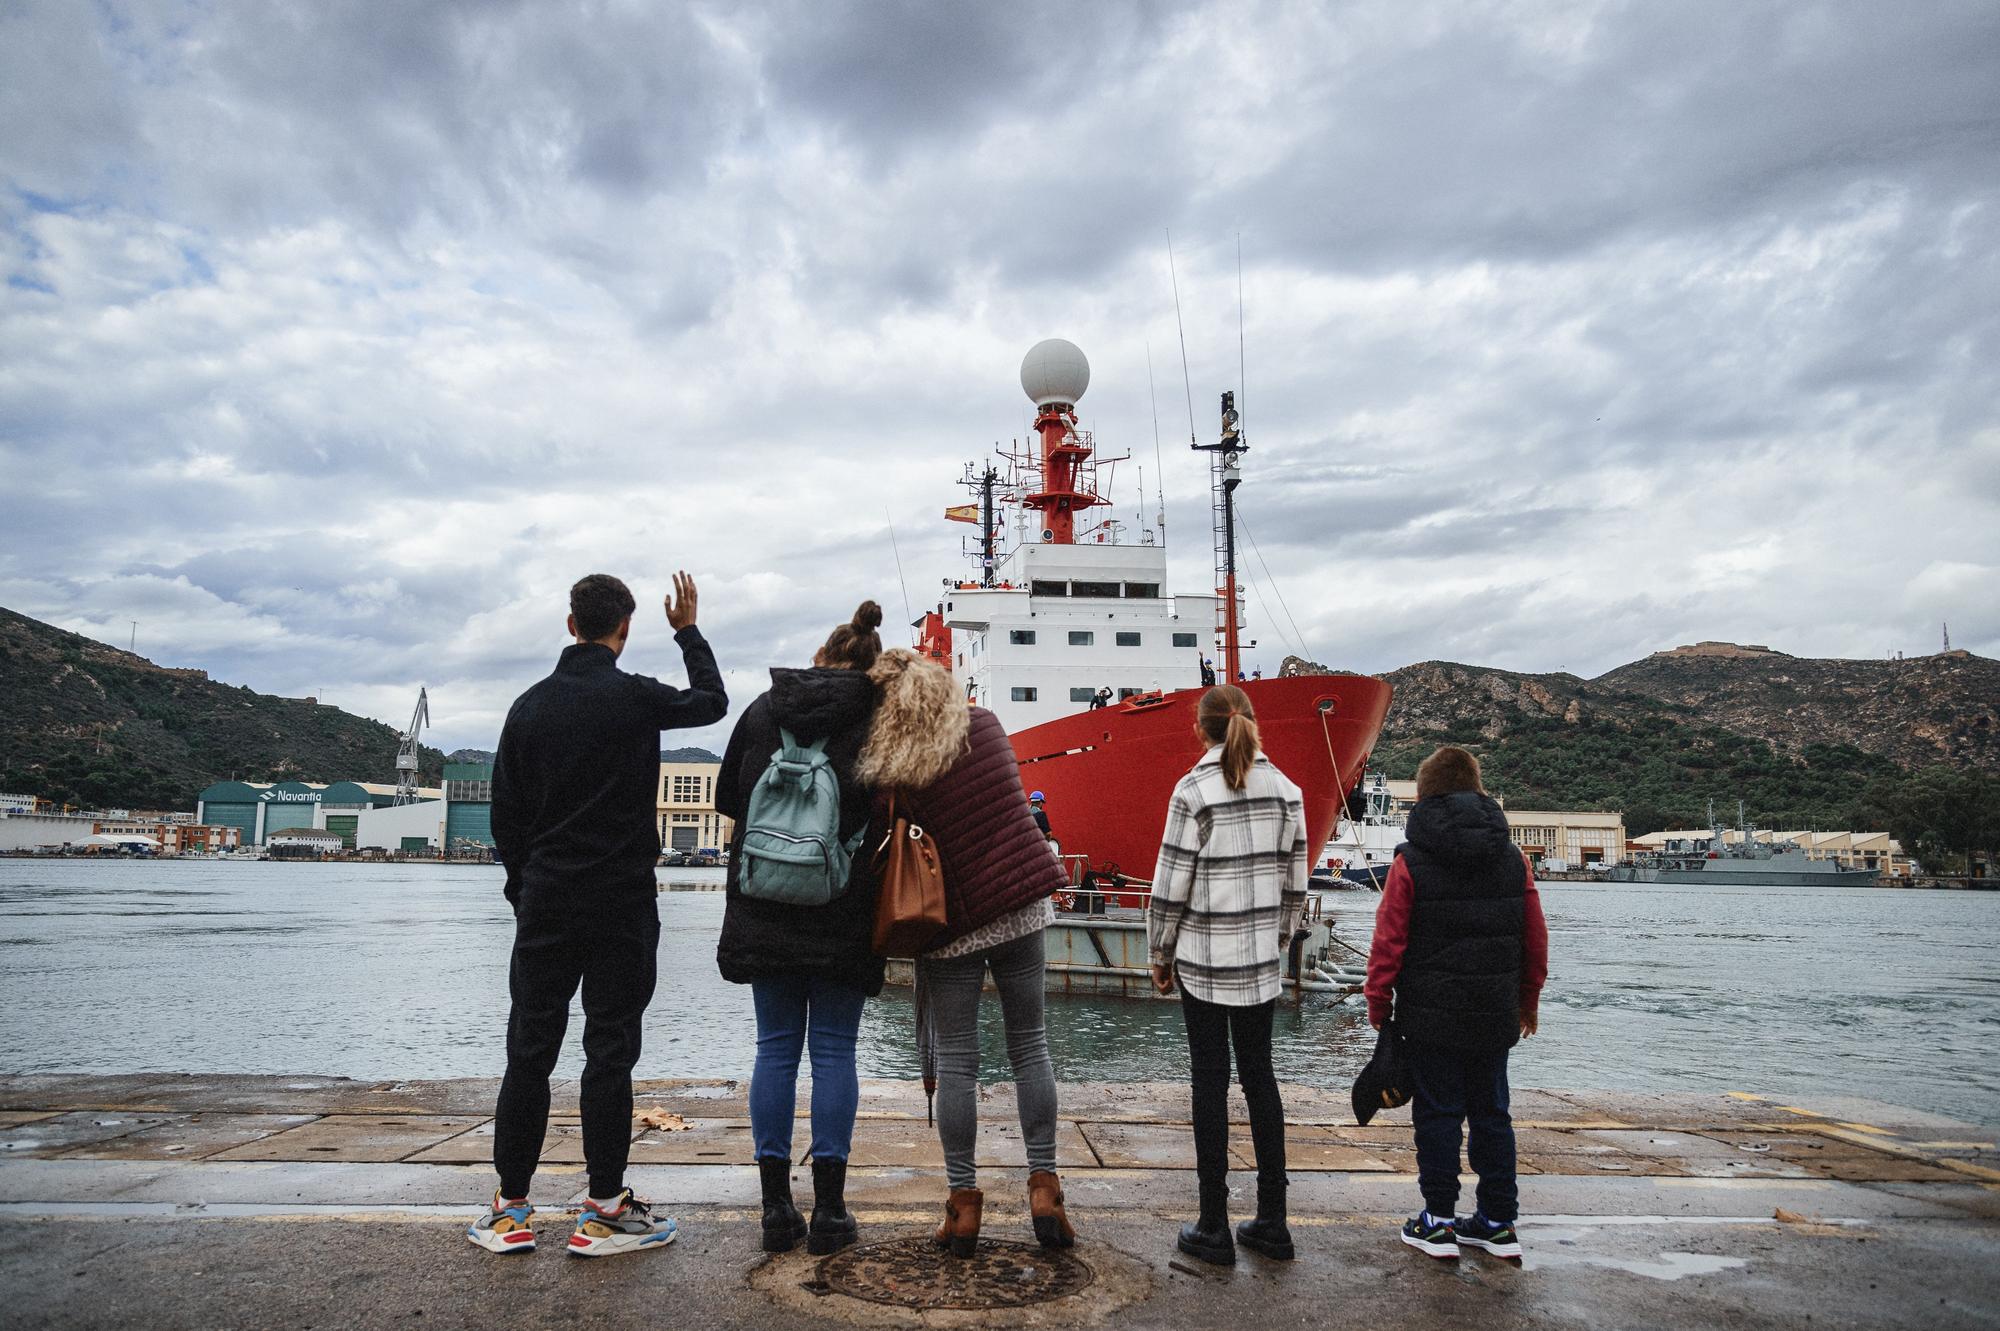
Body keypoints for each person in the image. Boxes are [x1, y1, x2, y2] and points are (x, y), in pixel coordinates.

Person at [474, 572, 726, 1258]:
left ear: (569, 623)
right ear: (624, 629)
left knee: (529, 1049)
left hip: (548, 899)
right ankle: (605, 1210)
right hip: (621, 902)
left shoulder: (528, 707)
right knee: (609, 1050)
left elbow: (505, 816)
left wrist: (525, 888)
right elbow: (711, 701)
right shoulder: (635, 697)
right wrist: (689, 629)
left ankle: (511, 1208)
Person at [859, 650, 1075, 1256]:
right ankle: (1044, 1187)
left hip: (952, 927)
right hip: (1023, 906)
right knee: (1030, 1044)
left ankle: (962, 1207)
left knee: (957, 1059)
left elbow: (884, 839)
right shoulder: (986, 726)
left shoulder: (894, 767)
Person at [714, 602, 886, 1256]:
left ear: (819, 656)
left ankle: (775, 1208)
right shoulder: (873, 717)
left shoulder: (762, 709)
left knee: (776, 1049)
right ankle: (832, 1211)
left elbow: (730, 798)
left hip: (765, 904)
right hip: (844, 904)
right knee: (835, 1051)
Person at [1364, 745, 1548, 1263]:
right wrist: (1527, 1000)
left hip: (1430, 1014)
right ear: (1478, 788)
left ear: (1424, 794)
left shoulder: (1411, 862)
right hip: (1495, 1011)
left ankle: (1438, 1222)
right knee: (1493, 1113)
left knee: (1438, 1112)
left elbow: (1389, 941)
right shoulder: (1514, 860)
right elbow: (1535, 937)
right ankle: (1497, 1223)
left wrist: (1378, 1002)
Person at [1146, 684, 1307, 1267]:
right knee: (1261, 1080)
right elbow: (1296, 890)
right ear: (1251, 723)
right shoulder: (1288, 791)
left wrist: (1159, 955)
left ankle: (1213, 1224)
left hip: (1205, 963)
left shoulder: (1193, 791)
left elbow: (1170, 887)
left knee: (1210, 1082)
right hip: (1260, 964)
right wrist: (1277, 942)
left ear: (1201, 729)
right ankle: (1273, 1222)